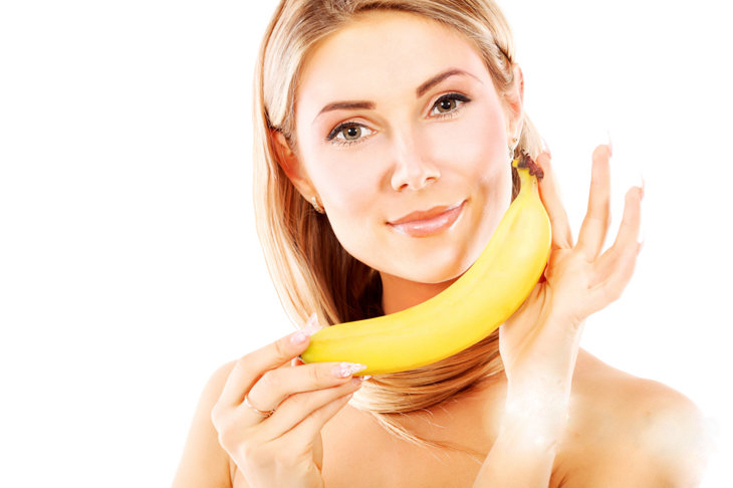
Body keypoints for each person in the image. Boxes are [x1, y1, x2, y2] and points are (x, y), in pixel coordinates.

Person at [172, 1, 711, 486]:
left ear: (511, 107)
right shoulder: (246, 419)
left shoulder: (643, 432)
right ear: (296, 167)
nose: (413, 169)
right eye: (352, 130)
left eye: (447, 103)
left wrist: (533, 420)